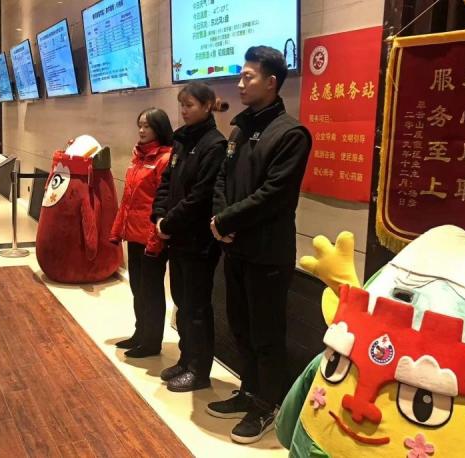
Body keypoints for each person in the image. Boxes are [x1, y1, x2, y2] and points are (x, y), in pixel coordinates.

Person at [207, 46, 312, 444]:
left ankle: (268, 404)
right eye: (240, 75)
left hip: (267, 253)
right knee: (240, 325)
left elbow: (274, 196)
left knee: (266, 334)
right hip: (235, 247)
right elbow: (222, 178)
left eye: (247, 77)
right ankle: (248, 391)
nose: (239, 84)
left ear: (271, 82)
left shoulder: (291, 134)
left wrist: (226, 221)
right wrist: (220, 219)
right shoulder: (239, 129)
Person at [152, 83, 228, 392]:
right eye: (182, 105)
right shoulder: (181, 140)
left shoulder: (215, 144)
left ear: (207, 106)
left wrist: (168, 223)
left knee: (197, 307)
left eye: (190, 105)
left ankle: (199, 370)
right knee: (182, 303)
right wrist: (159, 216)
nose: (184, 111)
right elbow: (166, 183)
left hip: (198, 241)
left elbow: (200, 197)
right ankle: (186, 360)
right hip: (177, 238)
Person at [110, 108, 174, 358]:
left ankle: (152, 341)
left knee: (152, 290)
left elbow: (163, 200)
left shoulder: (165, 158)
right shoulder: (138, 156)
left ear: (159, 128)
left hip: (151, 236)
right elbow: (128, 199)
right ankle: (140, 333)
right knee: (137, 287)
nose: (141, 130)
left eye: (147, 126)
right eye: (140, 125)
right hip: (134, 233)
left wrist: (156, 236)